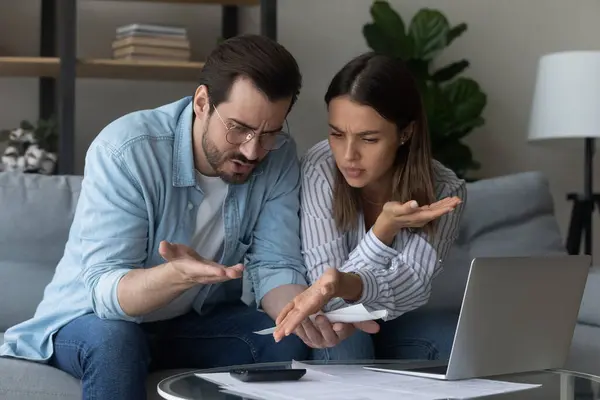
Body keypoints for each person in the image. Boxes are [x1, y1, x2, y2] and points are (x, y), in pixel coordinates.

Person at [0, 34, 321, 399]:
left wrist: (301, 312)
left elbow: (275, 264)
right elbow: (106, 292)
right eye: (239, 128)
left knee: (284, 340)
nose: (252, 150)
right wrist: (174, 277)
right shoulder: (126, 151)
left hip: (189, 325)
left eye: (269, 133)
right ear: (202, 102)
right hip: (91, 321)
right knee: (117, 342)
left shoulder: (277, 157)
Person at [273, 52, 467, 362]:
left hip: (395, 317)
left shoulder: (444, 189)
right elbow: (327, 296)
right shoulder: (320, 168)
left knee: (459, 341)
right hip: (336, 320)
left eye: (369, 138)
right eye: (337, 134)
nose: (348, 154)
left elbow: (413, 285)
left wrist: (346, 286)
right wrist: (382, 232)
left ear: (405, 133)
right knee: (343, 343)